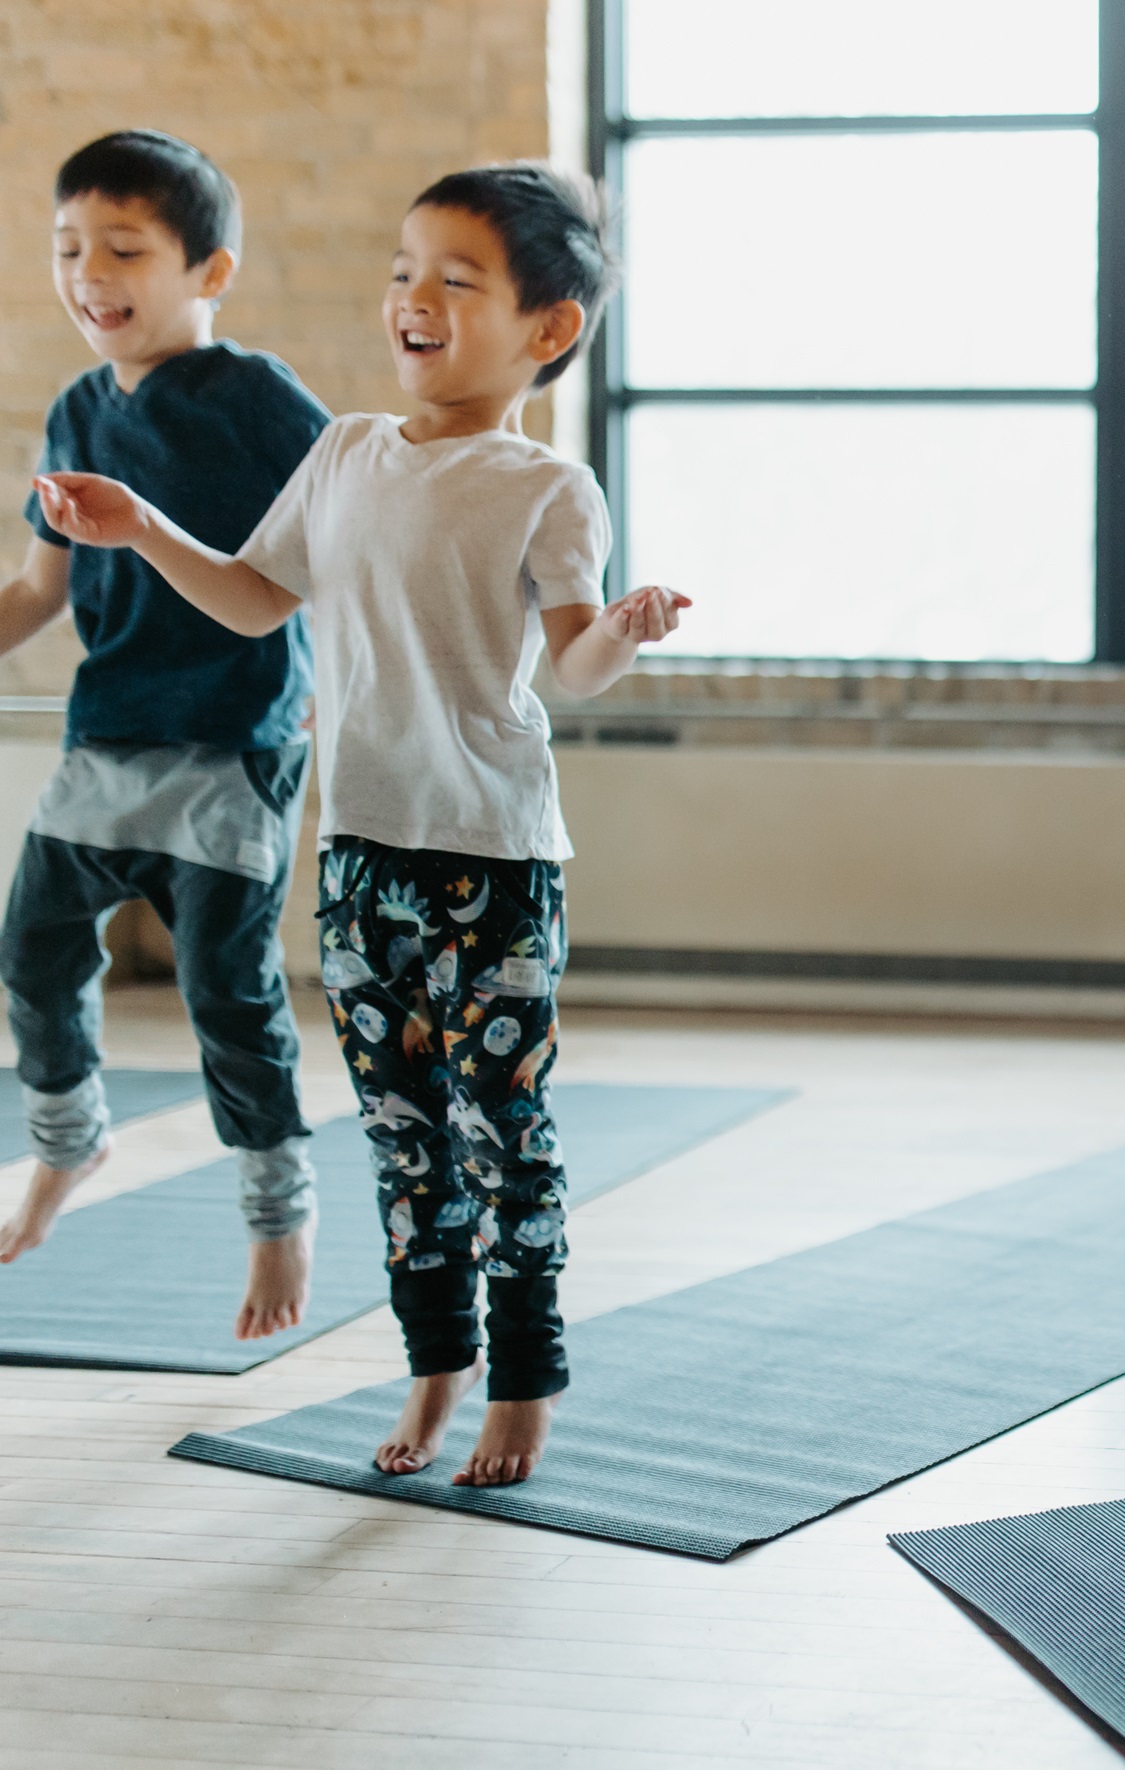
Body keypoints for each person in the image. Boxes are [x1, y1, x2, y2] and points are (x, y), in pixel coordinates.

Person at [33, 163, 690, 1488]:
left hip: (496, 868)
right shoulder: (340, 451)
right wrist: (139, 523)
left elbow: (571, 671)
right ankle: (433, 1364)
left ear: (548, 330)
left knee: (504, 1132)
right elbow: (251, 599)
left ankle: (524, 1382)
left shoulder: (549, 490)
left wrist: (620, 632)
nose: (414, 299)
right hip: (359, 862)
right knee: (403, 1137)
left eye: (457, 281)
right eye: (403, 272)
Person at [0, 130, 327, 1339]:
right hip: (108, 737)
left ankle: (277, 1216)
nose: (91, 271)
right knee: (31, 946)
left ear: (210, 271)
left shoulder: (260, 400)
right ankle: (66, 1144)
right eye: (67, 247)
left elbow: (321, 554)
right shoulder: (79, 408)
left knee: (222, 992)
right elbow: (35, 594)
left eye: (124, 247)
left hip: (234, 747)